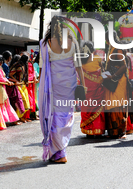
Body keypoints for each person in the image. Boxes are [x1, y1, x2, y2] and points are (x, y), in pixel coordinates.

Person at [39, 16, 85, 163]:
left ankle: (58, 152)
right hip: (69, 84)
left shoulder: (46, 44)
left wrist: (40, 88)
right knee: (66, 115)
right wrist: (83, 85)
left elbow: (42, 67)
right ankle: (60, 151)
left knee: (54, 116)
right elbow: (78, 66)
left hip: (54, 85)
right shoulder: (73, 42)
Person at [104, 31, 128, 139]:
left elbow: (124, 66)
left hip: (118, 80)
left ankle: (121, 131)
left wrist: (113, 75)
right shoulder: (112, 49)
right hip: (113, 80)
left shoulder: (117, 49)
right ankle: (114, 131)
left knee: (117, 104)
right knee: (112, 104)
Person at [80, 41, 105, 137]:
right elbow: (103, 72)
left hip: (86, 90)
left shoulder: (81, 60)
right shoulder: (98, 59)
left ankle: (88, 131)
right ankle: (97, 129)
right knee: (97, 108)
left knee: (87, 108)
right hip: (97, 89)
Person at [0, 54, 20, 125]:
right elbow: (0, 78)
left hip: (2, 86)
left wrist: (8, 81)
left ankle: (10, 120)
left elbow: (3, 77)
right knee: (1, 104)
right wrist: (8, 82)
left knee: (5, 103)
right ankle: (3, 121)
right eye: (0, 61)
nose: (1, 62)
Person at [9, 54, 31, 123]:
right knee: (20, 101)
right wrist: (15, 81)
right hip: (17, 85)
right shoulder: (17, 65)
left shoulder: (24, 65)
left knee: (26, 102)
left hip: (22, 84)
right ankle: (16, 118)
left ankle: (21, 117)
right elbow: (10, 74)